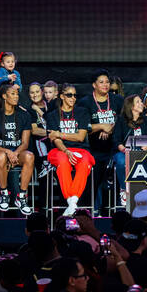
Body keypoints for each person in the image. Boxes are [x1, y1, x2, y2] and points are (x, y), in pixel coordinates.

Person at [44, 84, 95, 216]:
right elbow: (55, 140)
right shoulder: (52, 115)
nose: (73, 98)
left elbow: (80, 137)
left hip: (80, 149)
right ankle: (72, 202)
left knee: (84, 162)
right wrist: (66, 151)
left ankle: (72, 202)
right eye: (69, 95)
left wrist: (60, 134)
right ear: (61, 96)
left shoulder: (82, 112)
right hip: (59, 150)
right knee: (63, 161)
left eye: (74, 95)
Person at [0, 83, 36, 214]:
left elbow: (25, 143)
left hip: (17, 153)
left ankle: (22, 197)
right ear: (4, 96)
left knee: (30, 156)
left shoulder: (24, 115)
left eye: (17, 94)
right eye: (13, 94)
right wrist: (8, 152)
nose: (16, 96)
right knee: (1, 157)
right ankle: (4, 194)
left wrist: (15, 153)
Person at [77, 70, 122, 212]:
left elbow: (123, 121)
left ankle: (116, 209)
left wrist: (110, 127)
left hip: (114, 147)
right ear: (94, 85)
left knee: (113, 177)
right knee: (95, 180)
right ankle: (94, 210)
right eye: (101, 82)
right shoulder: (85, 102)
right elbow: (82, 126)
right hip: (93, 149)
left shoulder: (117, 100)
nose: (105, 85)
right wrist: (101, 126)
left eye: (107, 82)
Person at [111, 95, 147, 204]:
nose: (142, 104)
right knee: (121, 162)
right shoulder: (121, 120)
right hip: (124, 152)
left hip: (142, 151)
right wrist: (123, 149)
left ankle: (144, 192)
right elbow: (116, 140)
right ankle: (124, 189)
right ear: (131, 106)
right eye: (138, 102)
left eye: (141, 102)